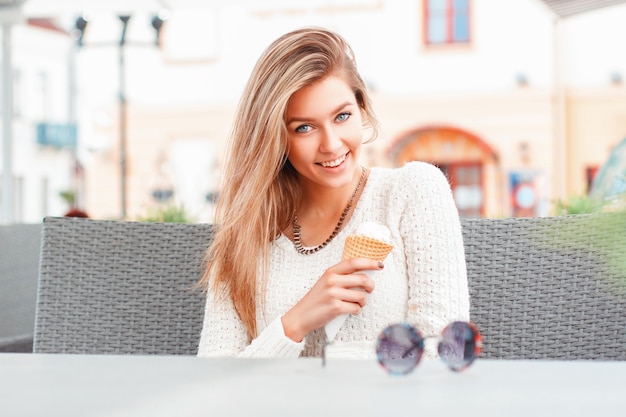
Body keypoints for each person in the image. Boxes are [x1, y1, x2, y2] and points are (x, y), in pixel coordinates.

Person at [197, 27, 469, 359]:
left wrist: (336, 362)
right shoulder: (246, 235)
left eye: (342, 116)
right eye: (304, 128)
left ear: (361, 109)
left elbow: (444, 352)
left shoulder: (411, 191)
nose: (331, 144)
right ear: (275, 137)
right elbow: (215, 380)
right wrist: (295, 323)